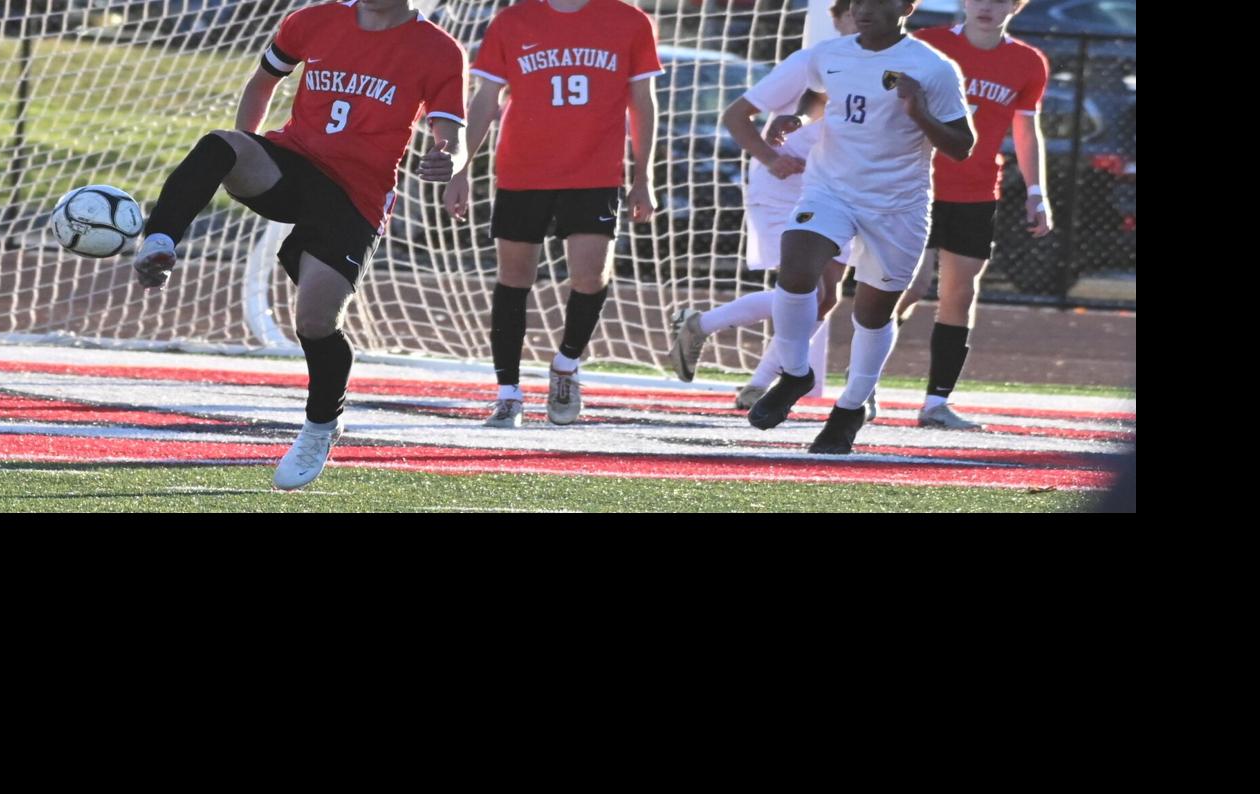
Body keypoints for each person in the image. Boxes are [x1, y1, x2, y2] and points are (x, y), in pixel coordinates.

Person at [131, 0, 468, 490]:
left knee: (314, 321)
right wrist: (247, 147)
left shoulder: (438, 49)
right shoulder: (313, 20)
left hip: (356, 197)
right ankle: (159, 242)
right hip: (293, 164)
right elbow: (262, 81)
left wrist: (450, 159)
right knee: (221, 144)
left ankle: (321, 426)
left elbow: (451, 134)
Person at [746, 0, 973, 455]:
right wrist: (800, 117)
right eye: (857, 2)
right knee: (796, 268)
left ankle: (850, 408)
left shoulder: (933, 68)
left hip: (897, 207)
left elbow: (961, 146)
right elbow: (819, 92)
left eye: (876, 1)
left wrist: (920, 113)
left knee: (872, 314)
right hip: (830, 189)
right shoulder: (830, 53)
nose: (863, 9)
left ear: (906, 6)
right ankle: (794, 373)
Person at [446, 0, 662, 428]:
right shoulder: (513, 20)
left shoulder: (629, 21)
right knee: (514, 277)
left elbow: (643, 101)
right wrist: (461, 169)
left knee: (590, 276)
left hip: (595, 172)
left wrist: (644, 177)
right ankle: (508, 393)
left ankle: (566, 365)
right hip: (522, 170)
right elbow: (485, 99)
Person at [665, 0, 857, 412]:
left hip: (836, 188)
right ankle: (703, 326)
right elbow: (737, 115)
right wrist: (771, 157)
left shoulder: (884, 65)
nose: (865, 18)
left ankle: (756, 383)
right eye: (854, 11)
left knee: (826, 298)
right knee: (807, 291)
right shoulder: (806, 62)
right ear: (837, 17)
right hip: (785, 188)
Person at [895, 0, 1051, 431]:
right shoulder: (928, 44)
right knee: (910, 284)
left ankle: (936, 403)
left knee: (960, 294)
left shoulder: (1027, 62)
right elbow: (888, 100)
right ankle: (862, 382)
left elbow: (1026, 127)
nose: (987, 6)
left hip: (976, 190)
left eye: (1000, 0)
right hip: (917, 185)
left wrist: (1036, 192)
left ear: (1015, 7)